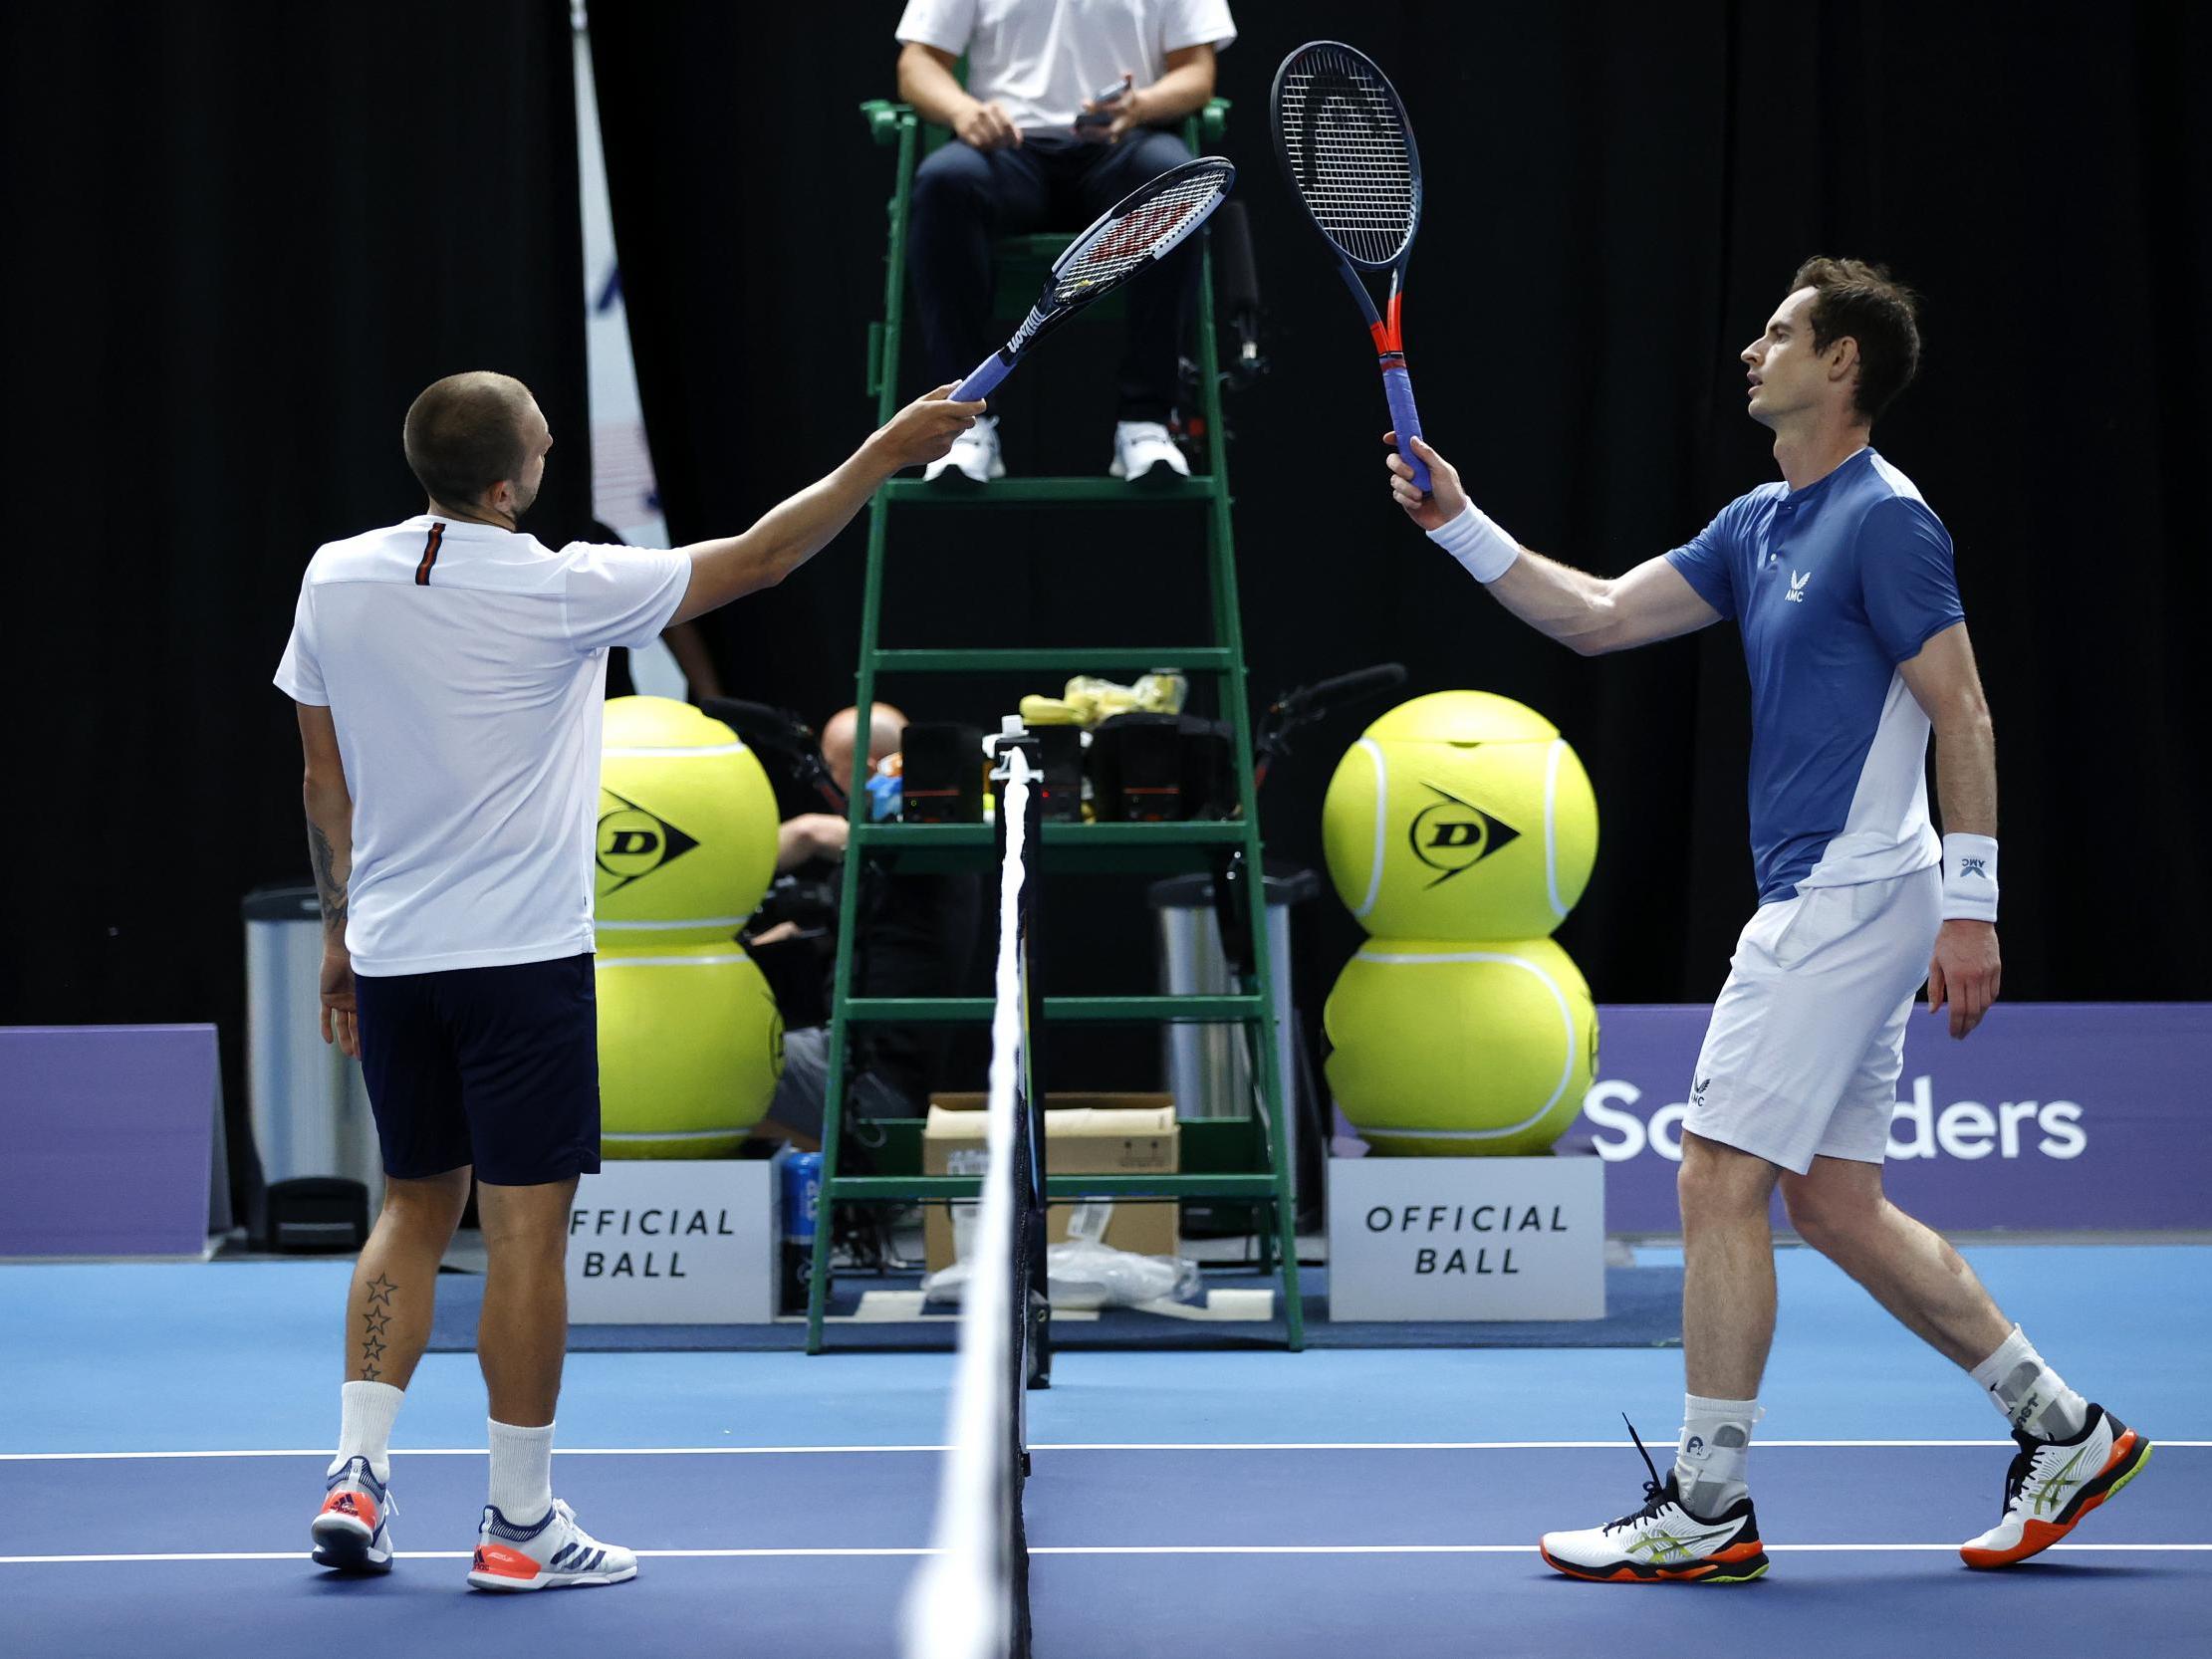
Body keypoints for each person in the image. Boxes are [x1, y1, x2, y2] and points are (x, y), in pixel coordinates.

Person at [1385, 259, 2150, 1581]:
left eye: (1781, 332)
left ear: (1842, 364)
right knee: (1837, 1203)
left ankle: (1706, 1503)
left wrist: (1975, 913)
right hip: (1841, 887)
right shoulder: (1758, 522)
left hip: (1852, 887)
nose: (1752, 348)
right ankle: (2060, 1426)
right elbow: (1598, 616)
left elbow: (1961, 711)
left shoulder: (1885, 520)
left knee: (1713, 1175)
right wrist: (1460, 521)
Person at [277, 370, 974, 1589]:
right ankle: (518, 1522)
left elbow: (319, 784)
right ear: (508, 482)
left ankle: (357, 1474)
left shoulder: (332, 575)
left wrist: (339, 938)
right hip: (522, 963)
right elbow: (762, 558)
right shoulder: (562, 588)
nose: (551, 452)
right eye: (543, 443)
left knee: (413, 1207)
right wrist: (884, 452)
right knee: (527, 1234)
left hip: (394, 956)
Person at [893, 0, 1237, 485]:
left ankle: (1146, 423)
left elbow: (1196, 72)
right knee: (944, 181)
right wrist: (963, 110)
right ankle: (962, 423)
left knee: (1175, 178)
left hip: (1122, 150)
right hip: (1008, 152)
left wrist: (1141, 106)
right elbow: (918, 62)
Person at [755, 703, 986, 1149]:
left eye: (829, 769)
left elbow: (818, 835)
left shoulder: (912, 840)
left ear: (868, 769)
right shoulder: (917, 846)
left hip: (871, 1080)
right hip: (870, 1066)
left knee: (709, 1068)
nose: (824, 784)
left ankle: (843, 1165)